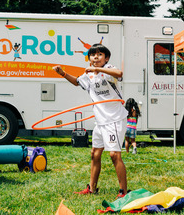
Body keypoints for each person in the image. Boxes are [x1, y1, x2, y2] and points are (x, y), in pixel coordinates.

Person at [53, 44, 128, 198]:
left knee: (114, 155)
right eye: (93, 55)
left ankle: (123, 192)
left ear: (106, 58)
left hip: (114, 119)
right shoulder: (89, 75)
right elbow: (77, 82)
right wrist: (63, 73)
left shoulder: (108, 70)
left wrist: (98, 69)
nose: (95, 57)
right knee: (94, 154)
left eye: (100, 54)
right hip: (100, 121)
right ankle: (92, 188)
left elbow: (119, 73)